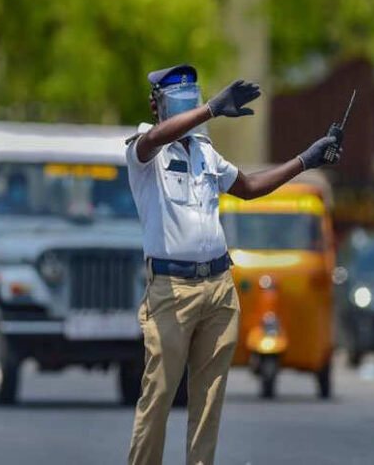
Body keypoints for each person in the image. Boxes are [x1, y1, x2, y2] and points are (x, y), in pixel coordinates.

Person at [126, 64, 339, 465]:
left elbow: (248, 188)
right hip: (172, 291)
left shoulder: (204, 151)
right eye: (179, 101)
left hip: (218, 286)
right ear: (156, 105)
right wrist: (210, 109)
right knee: (159, 395)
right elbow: (154, 138)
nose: (188, 107)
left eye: (193, 98)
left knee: (209, 402)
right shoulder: (144, 149)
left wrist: (305, 161)